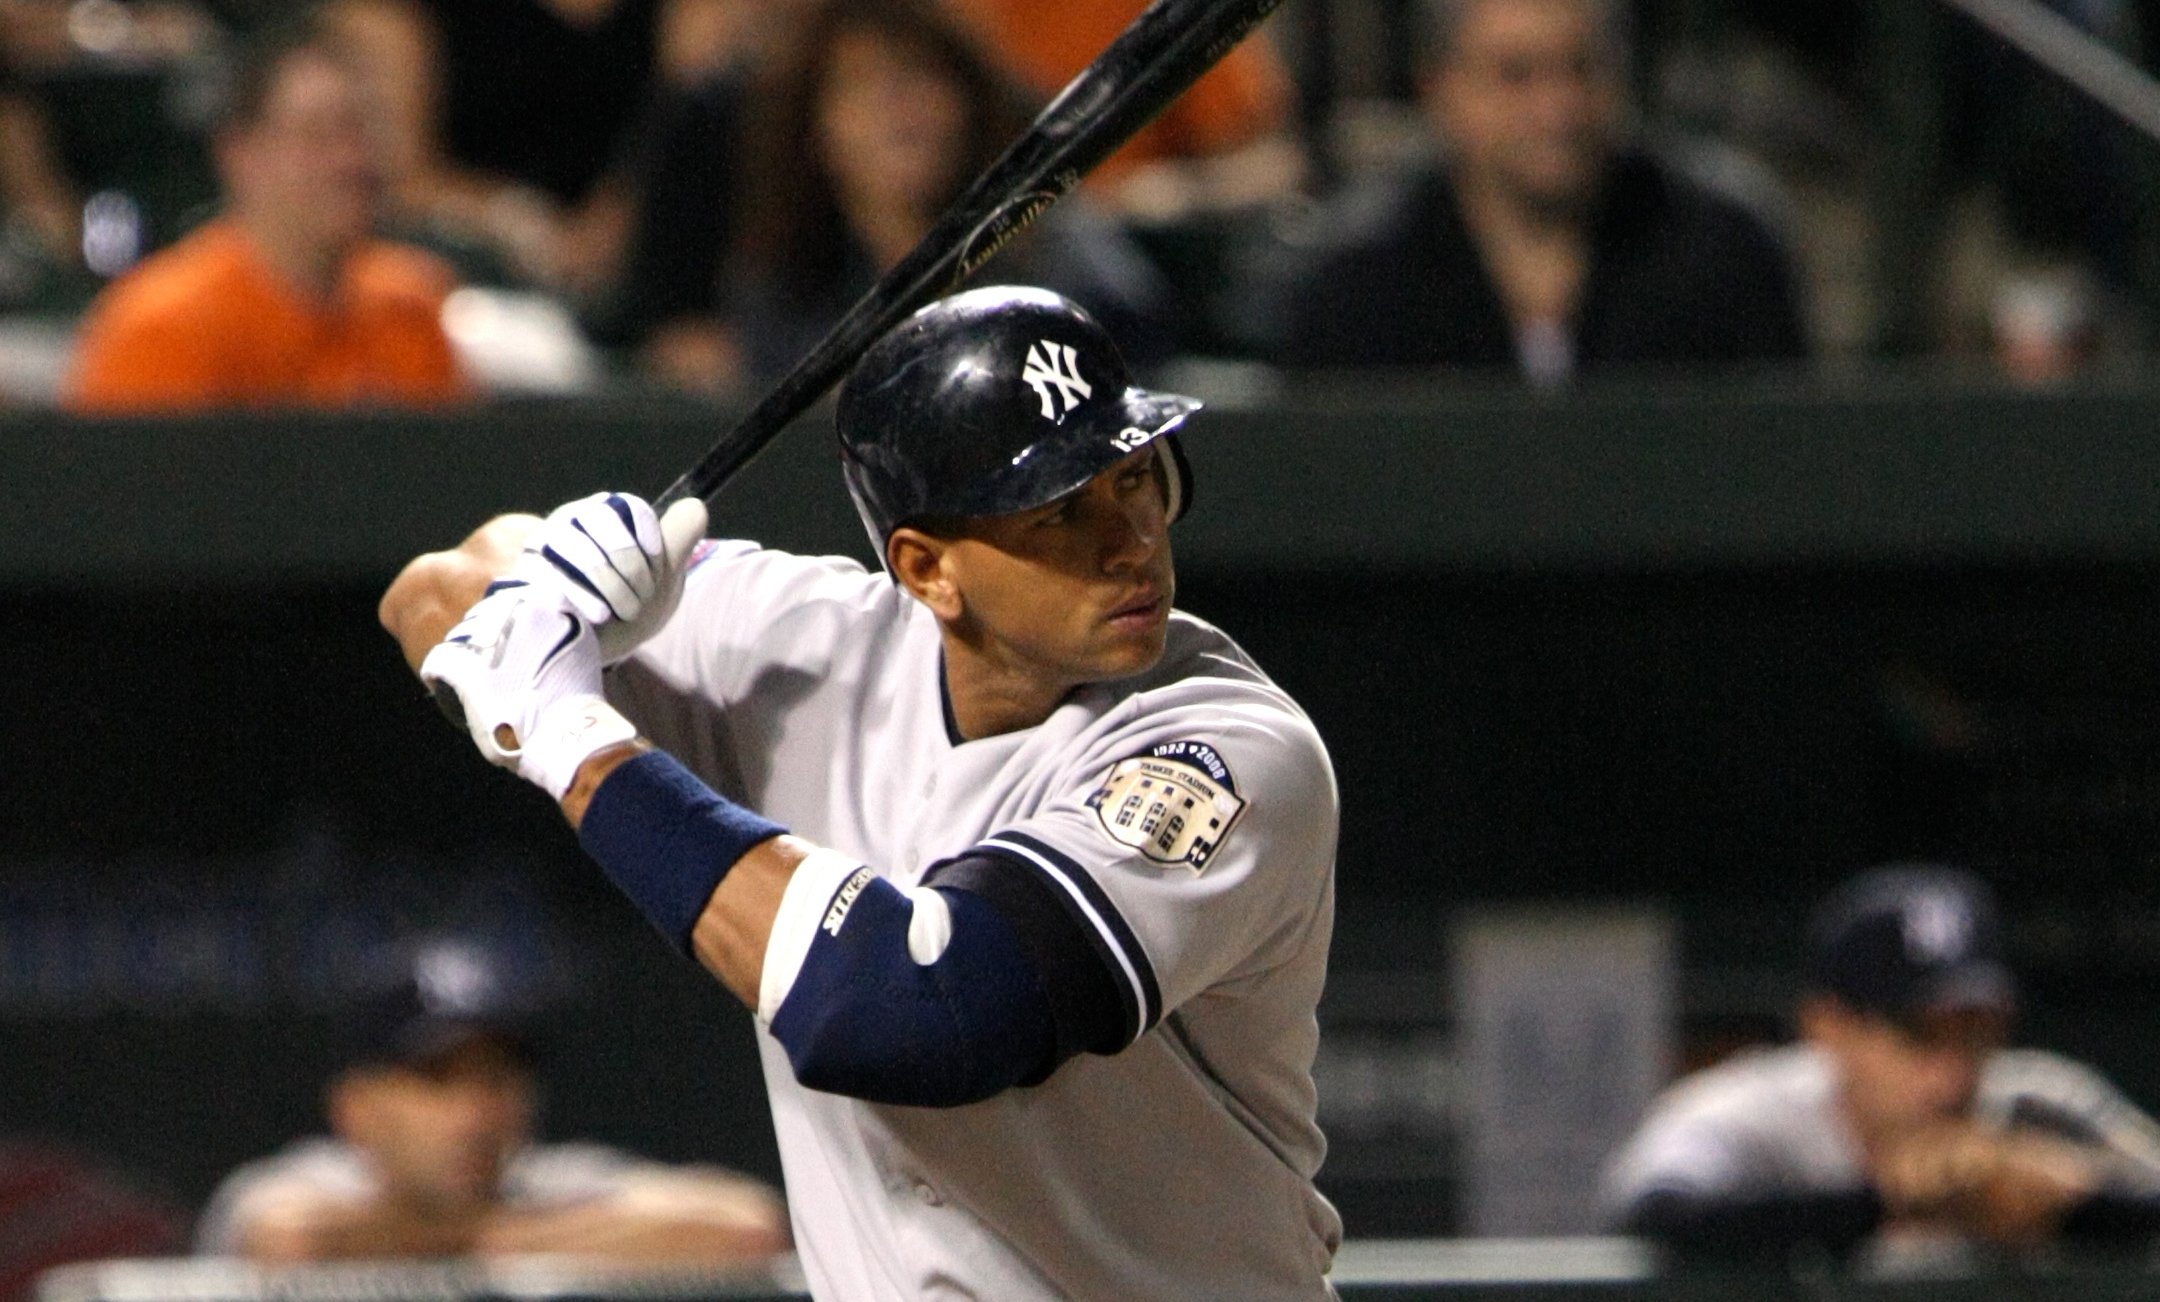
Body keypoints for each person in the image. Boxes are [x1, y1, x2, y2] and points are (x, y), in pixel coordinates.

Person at [380, 285, 1342, 1298]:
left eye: (1136, 477)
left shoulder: (1227, 748)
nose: (1131, 540)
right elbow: (433, 591)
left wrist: (569, 732)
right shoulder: (809, 639)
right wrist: (546, 584)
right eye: (1063, 509)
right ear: (927, 569)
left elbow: (925, 1008)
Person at [606, 0, 1173, 395]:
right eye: (861, 85)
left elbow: (1125, 338)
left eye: (918, 80)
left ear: (967, 103)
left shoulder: (1052, 245)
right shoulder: (788, 275)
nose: (896, 113)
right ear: (818, 128)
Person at [1602, 864, 2160, 1264]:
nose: (1953, 1074)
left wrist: (2076, 1199)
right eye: (1916, 1035)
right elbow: (1651, 1216)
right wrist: (1886, 1203)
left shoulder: (2039, 1103)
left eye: (1975, 1033)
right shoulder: (1747, 1113)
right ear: (1827, 1026)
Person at [1264, 0, 1808, 382]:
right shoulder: (1357, 282)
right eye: (1516, 75)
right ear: (1440, 88)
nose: (1558, 109)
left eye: (1581, 68)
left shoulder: (1723, 251)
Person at [194, 935, 789, 1264]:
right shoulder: (314, 1180)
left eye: (497, 1079)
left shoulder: (540, 1185)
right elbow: (292, 1239)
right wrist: (512, 1241)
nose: (474, 1115)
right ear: (357, 1108)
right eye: (437, 1079)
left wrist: (487, 1237)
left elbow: (746, 1224)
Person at [62, 17, 469, 414]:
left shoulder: (409, 310)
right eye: (318, 134)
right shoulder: (163, 329)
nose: (348, 161)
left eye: (360, 131)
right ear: (241, 154)